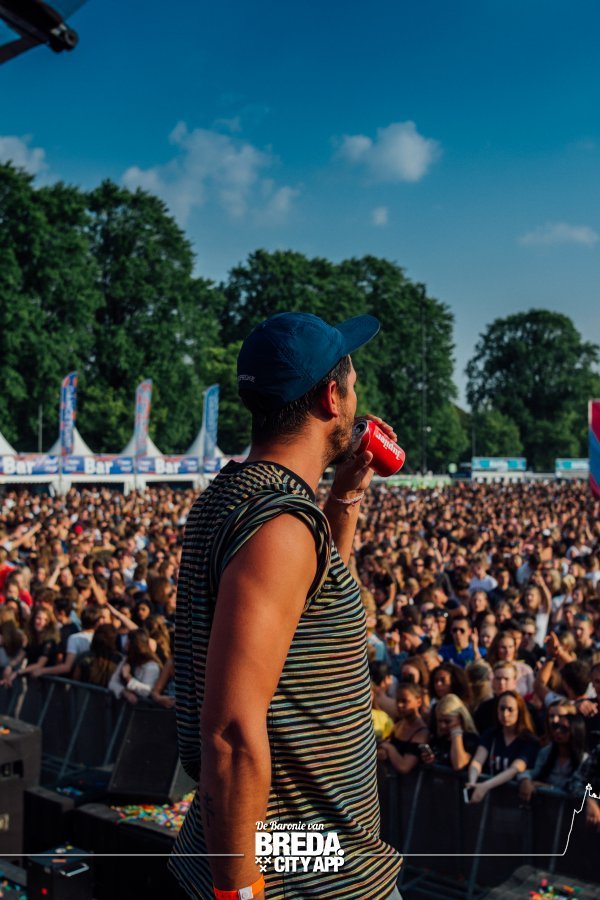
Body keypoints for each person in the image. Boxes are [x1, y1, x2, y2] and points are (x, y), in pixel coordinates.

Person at [170, 312, 402, 900]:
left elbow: (314, 614)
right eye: (353, 385)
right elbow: (231, 732)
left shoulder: (237, 498)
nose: (357, 400)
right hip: (306, 870)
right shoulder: (279, 528)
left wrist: (343, 500)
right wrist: (240, 891)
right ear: (332, 397)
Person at [466, 690, 539, 804]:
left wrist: (485, 786)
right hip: (491, 801)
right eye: (502, 708)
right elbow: (477, 761)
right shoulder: (491, 734)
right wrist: (472, 782)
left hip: (515, 801)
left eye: (510, 709)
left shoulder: (529, 741)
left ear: (519, 711)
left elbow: (515, 769)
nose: (505, 714)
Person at [378, 682, 429, 775]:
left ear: (418, 702)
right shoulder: (399, 724)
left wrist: (389, 748)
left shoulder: (421, 732)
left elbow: (404, 766)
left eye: (405, 701)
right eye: (398, 701)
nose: (399, 705)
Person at [420, 693, 479, 771]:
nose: (442, 725)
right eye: (439, 721)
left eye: (447, 721)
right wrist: (431, 760)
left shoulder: (471, 739)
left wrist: (456, 733)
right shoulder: (439, 738)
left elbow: (458, 764)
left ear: (460, 718)